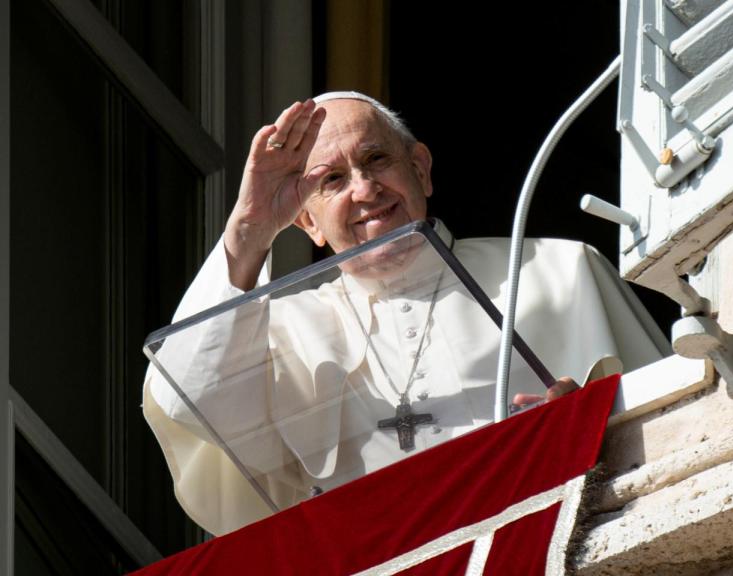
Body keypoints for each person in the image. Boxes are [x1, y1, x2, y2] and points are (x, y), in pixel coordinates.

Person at [143, 92, 669, 535]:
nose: (365, 189)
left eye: (376, 160)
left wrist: (592, 428)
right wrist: (252, 226)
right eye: (331, 180)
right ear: (309, 222)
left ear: (419, 169)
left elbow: (676, 427)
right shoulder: (279, 330)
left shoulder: (559, 270)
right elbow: (191, 394)